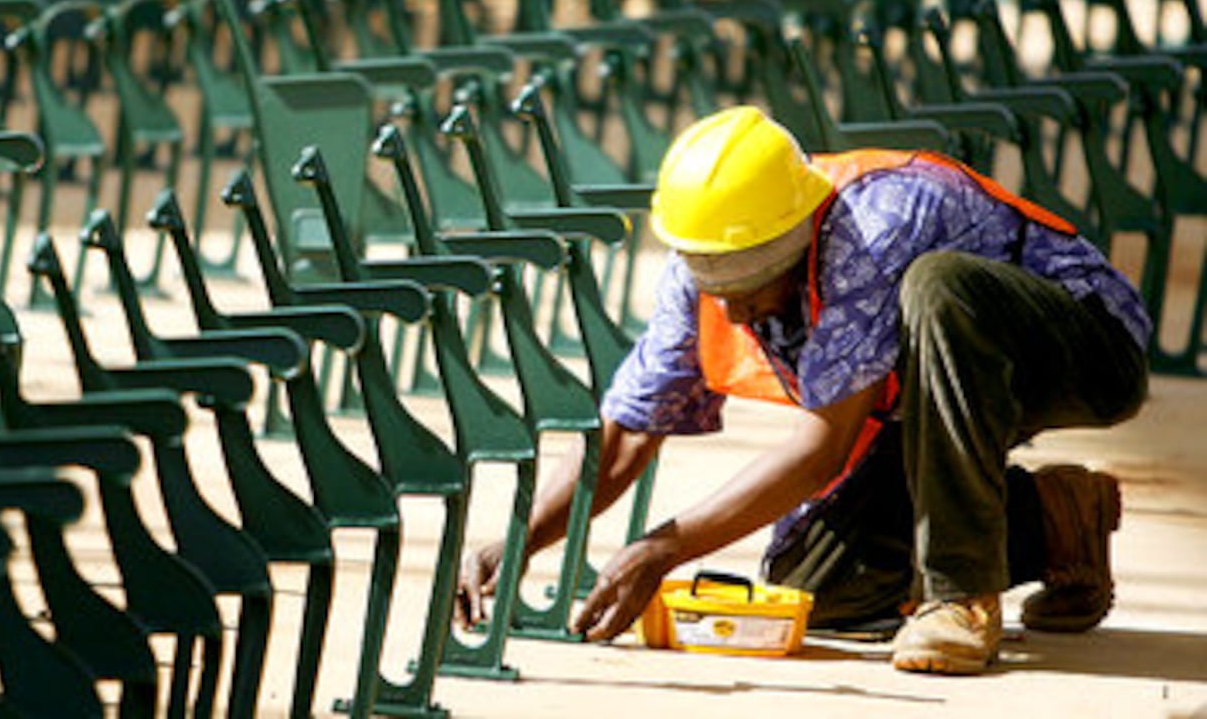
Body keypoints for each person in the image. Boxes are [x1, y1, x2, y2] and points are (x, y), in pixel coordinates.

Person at [455, 106, 1149, 674]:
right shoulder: (698, 265)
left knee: (937, 286)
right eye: (711, 283)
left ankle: (959, 597)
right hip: (939, 399)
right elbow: (628, 431)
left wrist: (662, 547)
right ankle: (1054, 520)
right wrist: (517, 542)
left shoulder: (876, 224)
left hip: (1078, 348)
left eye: (746, 285)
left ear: (791, 241)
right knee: (813, 581)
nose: (727, 311)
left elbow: (820, 449)